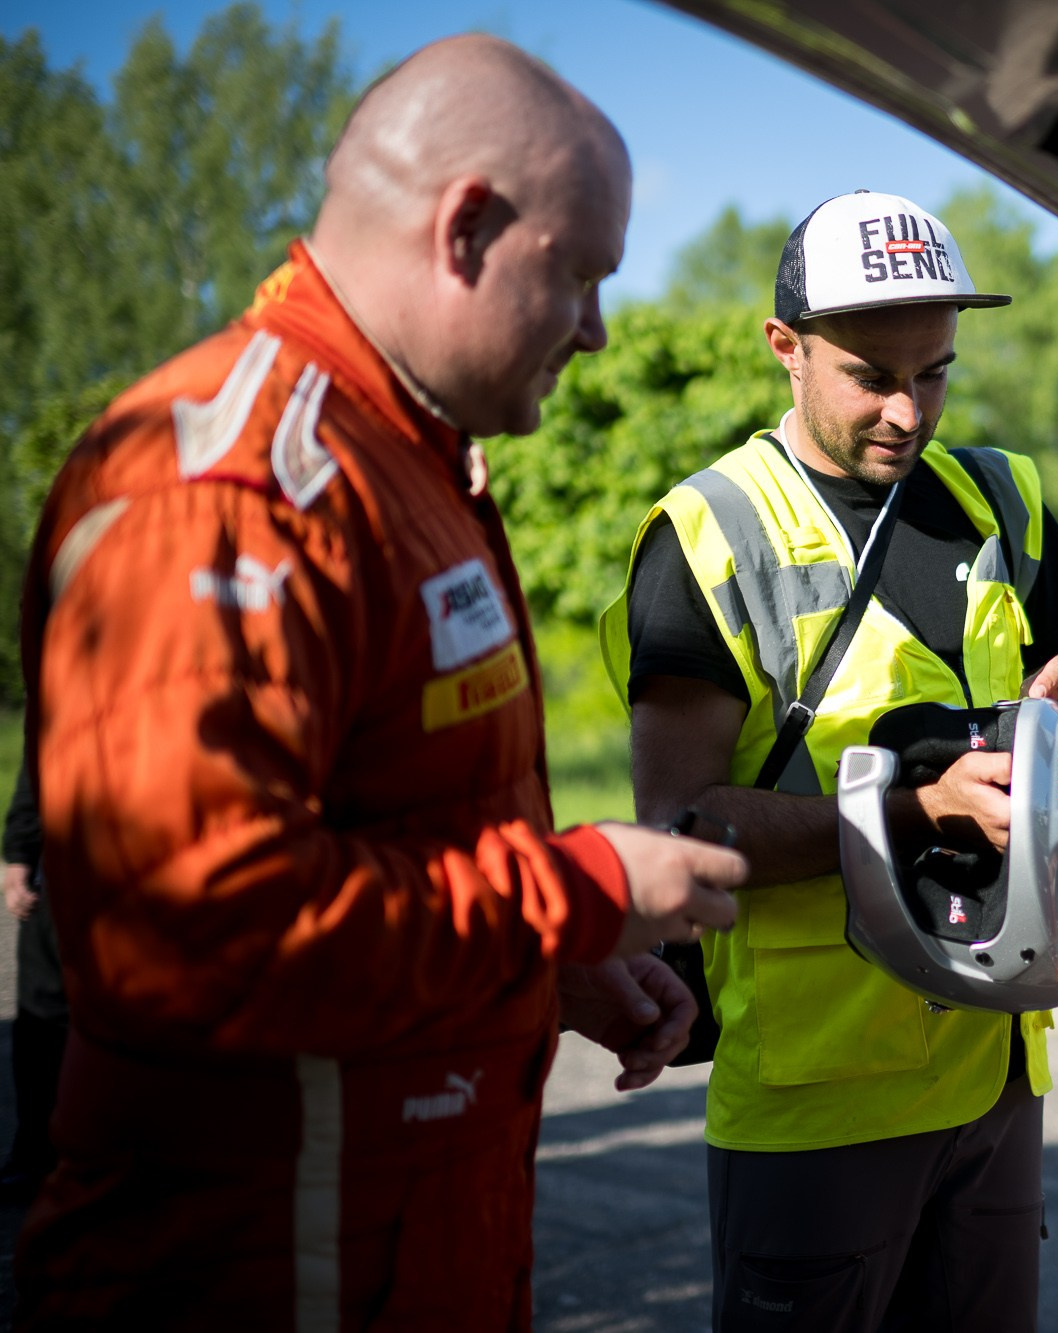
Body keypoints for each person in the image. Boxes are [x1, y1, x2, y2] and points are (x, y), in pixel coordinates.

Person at [15, 35, 746, 1329]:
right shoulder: (230, 490)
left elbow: (388, 839)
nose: (597, 330)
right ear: (465, 228)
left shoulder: (403, 458)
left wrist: (544, 971)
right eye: (578, 275)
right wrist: (573, 896)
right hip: (250, 1271)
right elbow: (195, 943)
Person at [599, 189, 1058, 1330]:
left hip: (992, 1069)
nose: (906, 408)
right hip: (815, 1098)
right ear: (784, 348)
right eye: (870, 374)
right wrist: (916, 808)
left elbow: (1051, 693)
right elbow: (677, 827)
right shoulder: (707, 533)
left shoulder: (1002, 497)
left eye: (932, 371)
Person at [1, 756, 63, 1206]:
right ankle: (35, 1155)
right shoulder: (59, 684)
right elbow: (40, 754)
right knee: (41, 1015)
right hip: (66, 859)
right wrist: (21, 850)